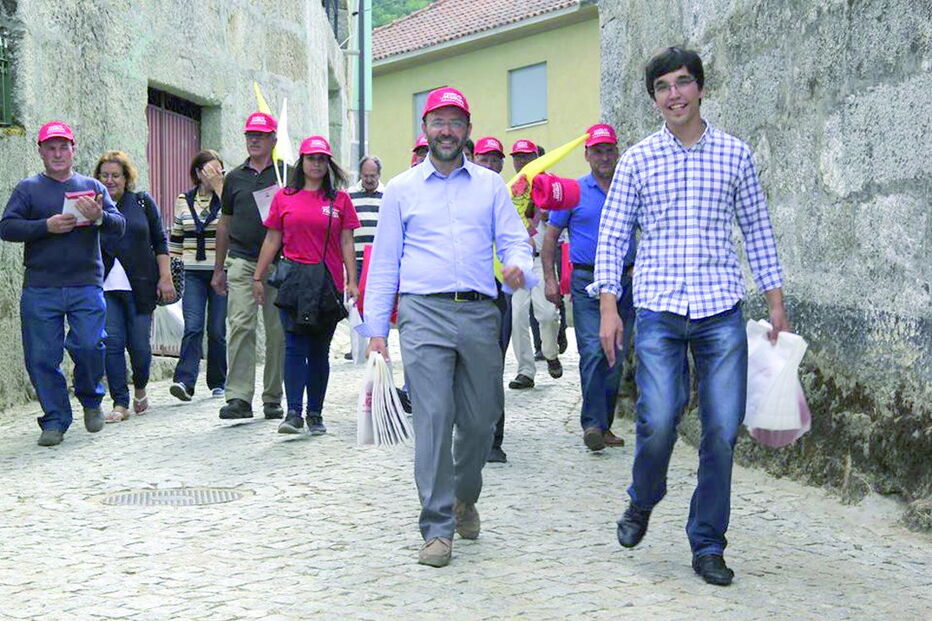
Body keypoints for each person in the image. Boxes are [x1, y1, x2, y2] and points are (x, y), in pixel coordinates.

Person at [590, 47, 790, 586]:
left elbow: (757, 229)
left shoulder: (735, 155)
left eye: (683, 83)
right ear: (654, 97)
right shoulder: (636, 159)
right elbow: (612, 236)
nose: (674, 94)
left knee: (722, 431)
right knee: (657, 420)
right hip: (656, 309)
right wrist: (609, 305)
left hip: (720, 309)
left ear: (701, 88)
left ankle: (707, 544)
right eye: (662, 86)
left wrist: (775, 304)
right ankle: (643, 497)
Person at [363, 87, 534, 568]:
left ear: (468, 132)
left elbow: (515, 241)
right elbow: (384, 264)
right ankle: (437, 527)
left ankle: (464, 496)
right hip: (423, 315)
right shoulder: (400, 189)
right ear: (425, 130)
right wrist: (377, 329)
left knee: (481, 421)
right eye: (438, 121)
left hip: (480, 312)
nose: (446, 130)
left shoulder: (490, 187)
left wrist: (520, 266)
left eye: (455, 121)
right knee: (434, 419)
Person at [0, 121, 125, 446]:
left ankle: (91, 397)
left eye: (63, 147)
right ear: (40, 151)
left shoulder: (93, 186)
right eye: (50, 147)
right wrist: (46, 226)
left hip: (85, 283)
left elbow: (118, 226)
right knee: (41, 357)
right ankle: (55, 419)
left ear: (73, 149)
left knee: (89, 345)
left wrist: (98, 216)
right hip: (41, 286)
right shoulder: (28, 189)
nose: (57, 154)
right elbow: (7, 227)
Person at [252, 136, 359, 435]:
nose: (316, 163)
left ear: (328, 163)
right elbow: (272, 238)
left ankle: (315, 414)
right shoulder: (284, 197)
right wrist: (258, 276)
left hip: (327, 282)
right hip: (294, 282)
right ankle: (294, 413)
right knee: (295, 347)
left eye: (322, 158)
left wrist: (353, 281)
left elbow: (347, 241)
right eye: (311, 158)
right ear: (302, 162)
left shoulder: (340, 200)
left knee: (319, 351)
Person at [543, 124, 634, 451]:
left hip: (625, 282)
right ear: (587, 155)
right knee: (594, 351)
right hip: (586, 281)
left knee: (616, 356)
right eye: (597, 151)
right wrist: (551, 279)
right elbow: (550, 238)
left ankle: (603, 425)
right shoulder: (572, 191)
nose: (604, 156)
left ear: (617, 152)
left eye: (609, 150)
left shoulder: (629, 190)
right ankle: (592, 424)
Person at [212, 112, 285, 420]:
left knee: (278, 331)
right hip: (241, 260)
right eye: (249, 135)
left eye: (261, 134)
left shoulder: (286, 174)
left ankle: (273, 397)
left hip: (279, 264)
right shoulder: (234, 178)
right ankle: (239, 397)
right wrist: (218, 269)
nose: (254, 140)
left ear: (273, 140)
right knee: (241, 325)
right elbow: (224, 223)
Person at [94, 150, 175, 422]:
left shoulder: (141, 202)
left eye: (115, 175)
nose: (110, 180)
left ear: (127, 178)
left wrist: (165, 277)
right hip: (106, 287)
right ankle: (120, 402)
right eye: (104, 175)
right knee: (113, 343)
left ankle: (140, 385)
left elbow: (160, 241)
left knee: (139, 346)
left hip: (141, 285)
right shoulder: (93, 205)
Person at [169, 150, 227, 401]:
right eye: (210, 170)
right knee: (192, 326)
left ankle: (217, 381)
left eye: (219, 170)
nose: (214, 175)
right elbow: (176, 237)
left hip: (220, 271)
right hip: (193, 271)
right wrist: (172, 269)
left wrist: (221, 188)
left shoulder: (226, 197)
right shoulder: (184, 199)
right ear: (197, 172)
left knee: (216, 329)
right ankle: (184, 381)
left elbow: (236, 217)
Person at [507, 139, 562, 390]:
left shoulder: (548, 183)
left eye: (526, 156)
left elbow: (559, 213)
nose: (521, 161)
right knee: (518, 316)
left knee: (547, 313)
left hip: (542, 260)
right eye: (517, 157)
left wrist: (543, 206)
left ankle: (550, 353)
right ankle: (525, 371)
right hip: (517, 263)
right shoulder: (510, 189)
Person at [473, 136, 509, 463]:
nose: (492, 165)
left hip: (499, 293)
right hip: (470, 292)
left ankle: (493, 439)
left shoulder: (507, 193)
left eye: (497, 159)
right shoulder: (464, 195)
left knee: (494, 366)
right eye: (486, 159)